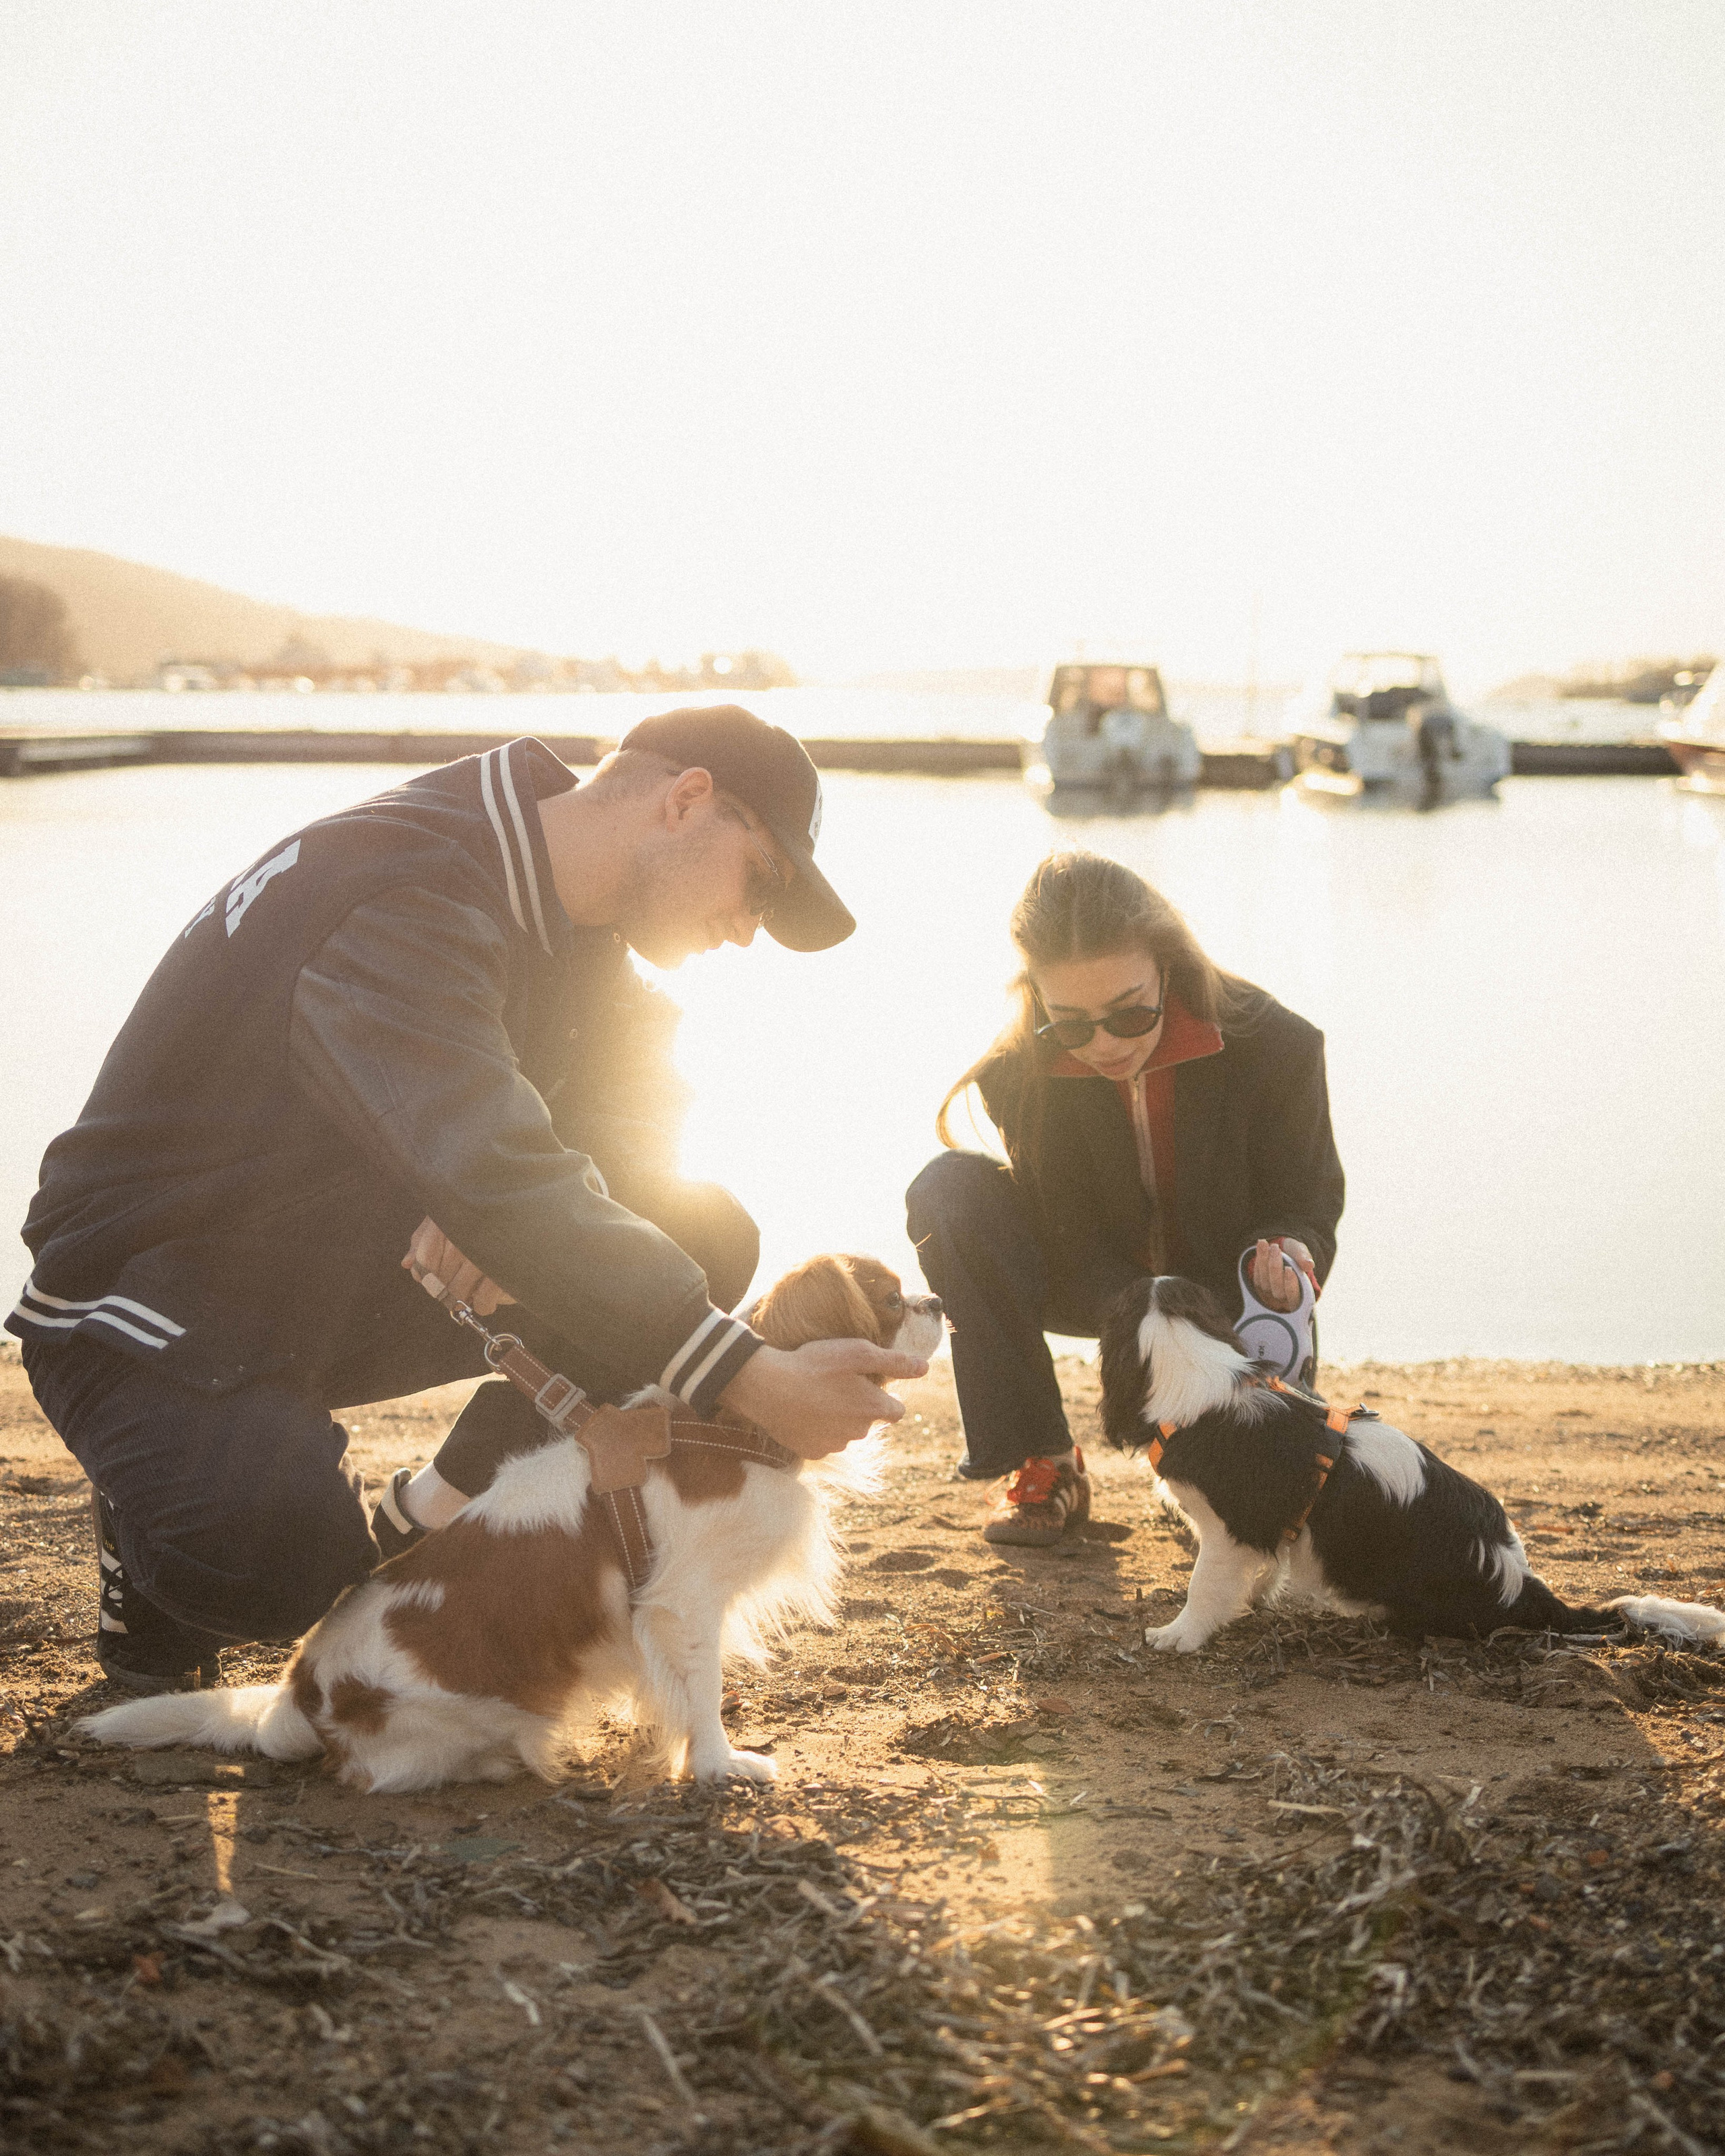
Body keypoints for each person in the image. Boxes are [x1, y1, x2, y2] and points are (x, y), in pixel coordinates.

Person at [11, 707, 927, 1693]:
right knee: (288, 1575)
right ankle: (150, 1532)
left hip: (320, 1264)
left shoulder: (562, 900)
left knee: (697, 1235)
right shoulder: (408, 883)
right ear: (687, 800)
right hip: (146, 1290)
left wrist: (492, 1195)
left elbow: (632, 1105)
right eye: (763, 882)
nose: (750, 932)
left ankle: (432, 1508)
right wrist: (746, 1373)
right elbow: (494, 1167)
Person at [905, 851, 1344, 1548]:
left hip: (1229, 1295)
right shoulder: (1019, 1068)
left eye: (1128, 1014)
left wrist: (1292, 1249)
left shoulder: (1276, 1043)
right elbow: (1070, 1237)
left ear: (1166, 966)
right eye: (1071, 1023)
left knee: (1253, 1509)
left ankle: (1217, 1429)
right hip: (1096, 1287)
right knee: (948, 1191)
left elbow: (1309, 1199)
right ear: (1036, 996)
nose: (1103, 1044)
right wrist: (1145, 1313)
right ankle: (1042, 1459)